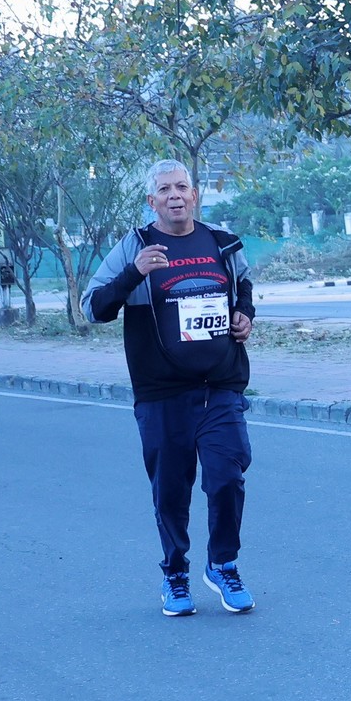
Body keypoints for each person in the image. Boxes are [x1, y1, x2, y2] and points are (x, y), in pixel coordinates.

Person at [83, 160, 259, 618]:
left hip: (219, 385)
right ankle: (175, 574)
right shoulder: (136, 245)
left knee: (227, 478)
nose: (175, 195)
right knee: (171, 493)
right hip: (162, 394)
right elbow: (93, 307)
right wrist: (134, 273)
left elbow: (243, 286)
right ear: (152, 201)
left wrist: (244, 315)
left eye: (182, 187)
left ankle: (223, 564)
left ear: (194, 194)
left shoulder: (222, 241)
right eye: (164, 189)